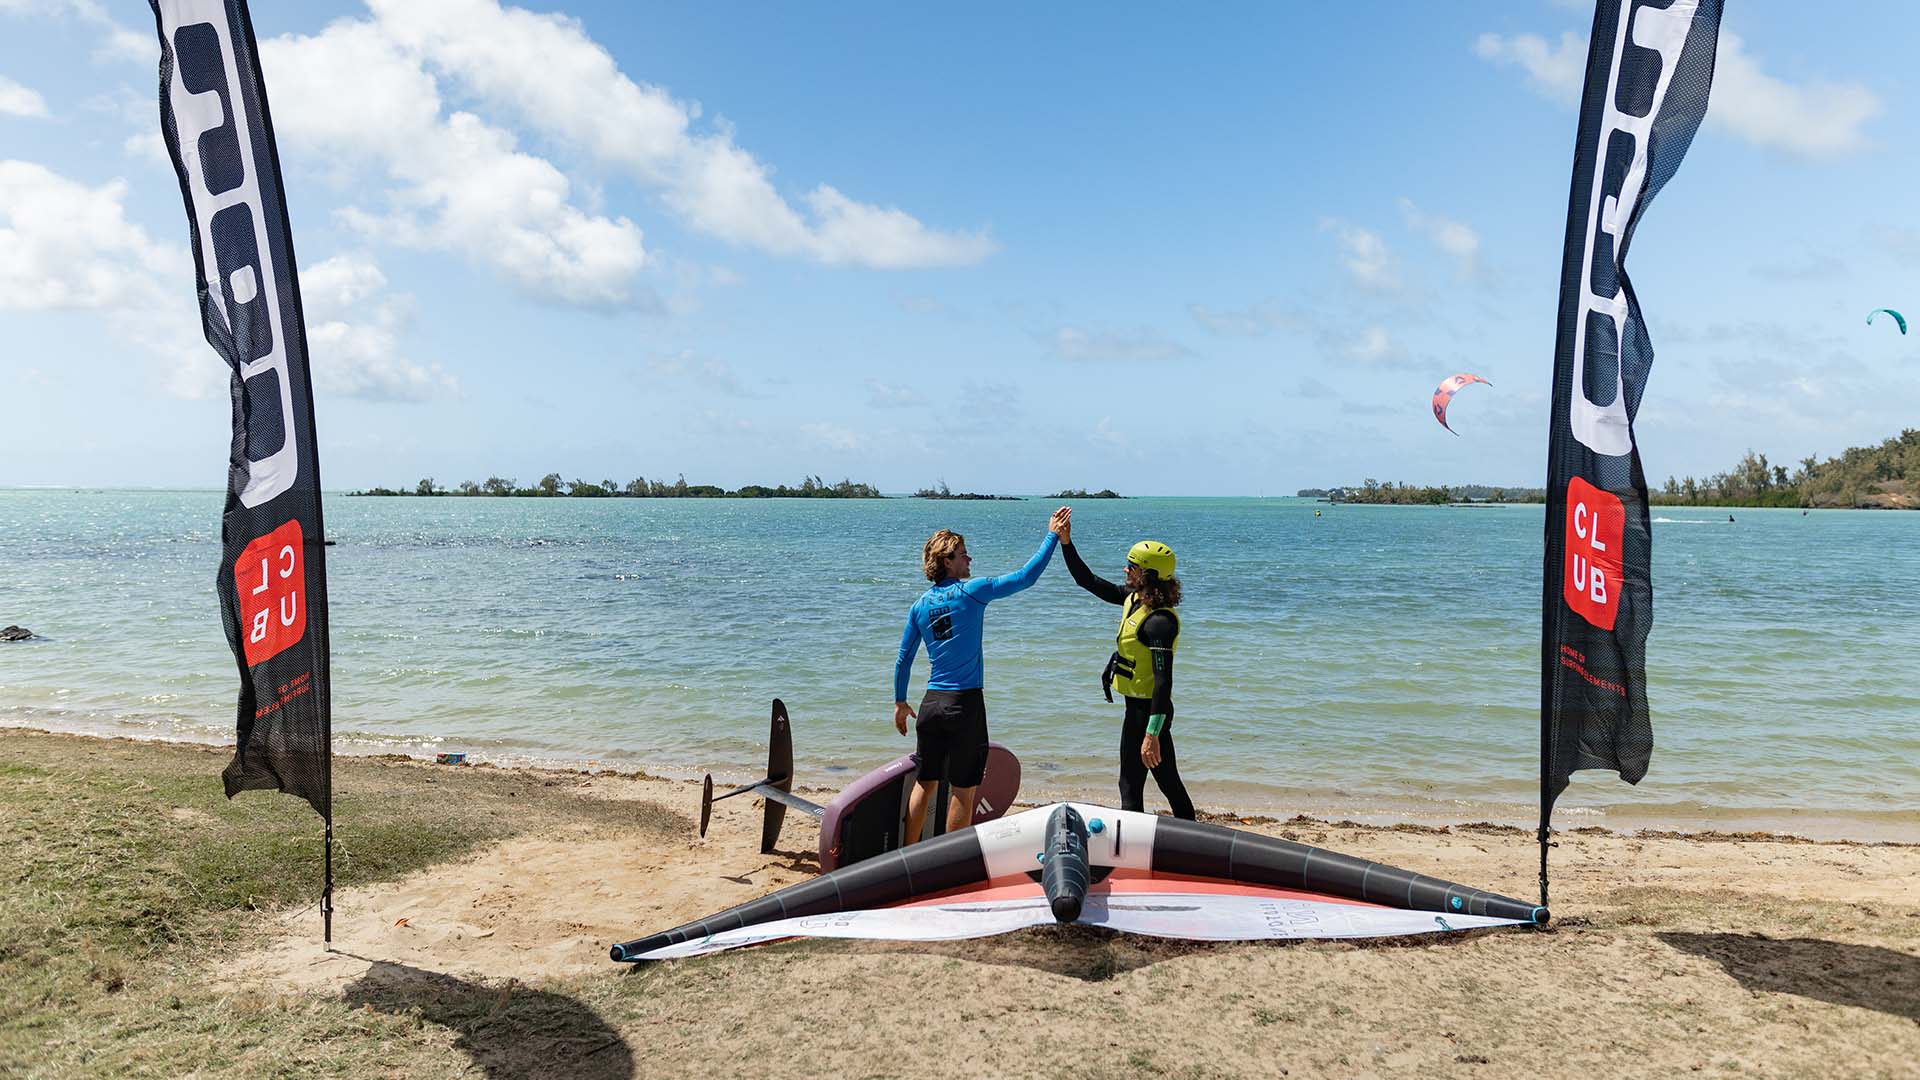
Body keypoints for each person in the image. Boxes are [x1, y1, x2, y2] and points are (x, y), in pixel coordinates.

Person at [893, 509, 1068, 841]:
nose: (969, 558)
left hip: (930, 705)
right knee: (964, 791)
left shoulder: (919, 606)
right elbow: (1025, 578)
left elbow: (904, 659)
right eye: (962, 554)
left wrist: (900, 703)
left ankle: (906, 854)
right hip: (964, 705)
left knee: (925, 782)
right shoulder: (971, 591)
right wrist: (1052, 537)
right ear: (947, 562)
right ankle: (947, 864)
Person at [1055, 509, 1194, 819]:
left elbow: (1163, 683)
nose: (1125, 570)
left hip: (1150, 713)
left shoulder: (1159, 622)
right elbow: (1087, 580)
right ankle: (1137, 846)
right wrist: (1066, 542)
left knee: (1164, 782)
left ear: (1147, 575)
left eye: (1131, 567)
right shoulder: (1133, 599)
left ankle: (1196, 842)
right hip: (1136, 710)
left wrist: (1152, 734)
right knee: (1132, 783)